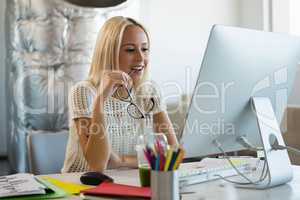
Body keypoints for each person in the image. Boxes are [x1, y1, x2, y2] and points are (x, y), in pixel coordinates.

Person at [62, 16, 178, 173]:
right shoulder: (83, 91)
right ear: (109, 53)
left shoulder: (150, 91)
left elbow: (172, 153)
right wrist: (100, 101)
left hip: (128, 182)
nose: (140, 58)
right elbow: (97, 165)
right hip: (81, 186)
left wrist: (122, 161)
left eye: (144, 49)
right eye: (130, 50)